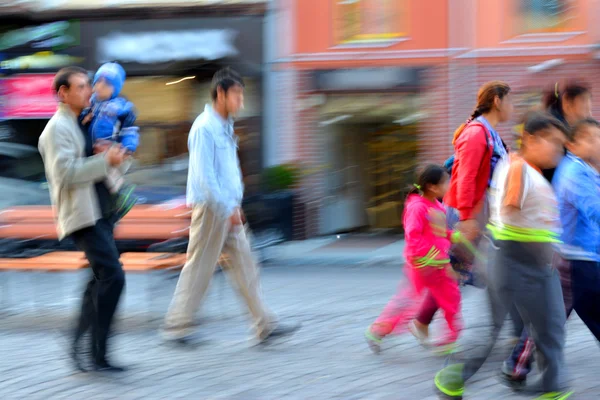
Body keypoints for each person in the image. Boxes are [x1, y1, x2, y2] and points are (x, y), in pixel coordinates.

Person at [434, 111, 572, 399]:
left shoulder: (527, 169)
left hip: (529, 260)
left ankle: (552, 386)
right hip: (516, 259)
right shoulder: (518, 169)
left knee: (549, 322)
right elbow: (510, 211)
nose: (558, 151)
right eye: (553, 142)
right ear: (531, 139)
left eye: (561, 145)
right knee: (498, 329)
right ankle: (452, 377)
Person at [161, 67, 299, 344]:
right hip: (212, 209)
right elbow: (205, 176)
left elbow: (227, 172)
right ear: (220, 94)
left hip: (227, 209)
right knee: (200, 267)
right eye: (237, 95)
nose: (241, 102)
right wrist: (227, 208)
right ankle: (176, 327)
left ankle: (264, 324)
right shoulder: (204, 128)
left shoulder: (224, 127)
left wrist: (234, 204)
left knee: (247, 265)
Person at [410, 81, 518, 343]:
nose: (512, 107)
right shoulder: (476, 133)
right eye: (510, 101)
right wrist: (468, 217)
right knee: (463, 271)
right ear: (497, 101)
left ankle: (515, 331)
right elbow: (466, 178)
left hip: (484, 214)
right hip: (470, 214)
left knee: (474, 271)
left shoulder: (489, 132)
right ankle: (516, 332)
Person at [38, 66, 130, 372]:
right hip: (82, 215)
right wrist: (105, 160)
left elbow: (101, 157)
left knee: (99, 280)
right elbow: (64, 173)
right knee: (113, 277)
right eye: (79, 87)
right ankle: (96, 352)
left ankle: (81, 346)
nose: (88, 90)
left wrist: (114, 156)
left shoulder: (84, 121)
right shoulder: (56, 130)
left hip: (101, 211)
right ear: (63, 93)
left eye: (88, 85)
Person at [501, 118, 600, 385]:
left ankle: (516, 365)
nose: (598, 143)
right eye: (591, 138)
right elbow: (595, 211)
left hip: (575, 257)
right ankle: (516, 365)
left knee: (549, 318)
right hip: (575, 258)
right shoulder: (575, 172)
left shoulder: (585, 170)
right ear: (573, 144)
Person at [365, 165, 463, 354]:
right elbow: (413, 237)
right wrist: (429, 257)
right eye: (445, 182)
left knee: (451, 297)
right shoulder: (417, 207)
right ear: (432, 186)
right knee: (408, 302)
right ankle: (378, 330)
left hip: (439, 263)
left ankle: (450, 339)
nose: (449, 185)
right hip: (422, 265)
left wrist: (453, 236)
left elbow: (438, 232)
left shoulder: (436, 204)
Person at [80, 62, 140, 221]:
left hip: (110, 146)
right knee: (95, 174)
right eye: (97, 82)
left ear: (116, 88)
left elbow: (129, 130)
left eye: (106, 84)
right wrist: (83, 119)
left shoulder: (121, 108)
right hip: (92, 146)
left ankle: (121, 195)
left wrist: (128, 147)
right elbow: (79, 119)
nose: (100, 86)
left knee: (109, 173)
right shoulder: (90, 103)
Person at [541, 80, 592, 183]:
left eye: (589, 101)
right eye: (583, 101)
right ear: (567, 103)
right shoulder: (555, 129)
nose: (588, 107)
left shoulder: (565, 126)